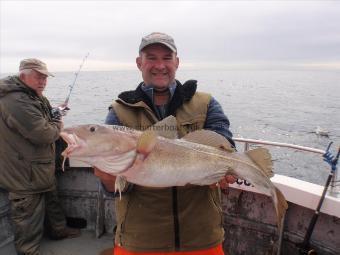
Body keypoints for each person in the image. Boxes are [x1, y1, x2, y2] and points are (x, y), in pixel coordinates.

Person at [95, 32, 236, 255]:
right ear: (139, 63)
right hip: (140, 241)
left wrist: (223, 171)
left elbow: (224, 142)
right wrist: (109, 180)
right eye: (151, 57)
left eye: (167, 58)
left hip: (202, 237)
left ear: (177, 62)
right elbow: (114, 189)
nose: (159, 65)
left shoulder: (206, 103)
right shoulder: (120, 112)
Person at [0, 58, 80, 255]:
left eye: (45, 77)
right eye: (38, 76)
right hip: (23, 173)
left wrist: (54, 111)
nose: (43, 81)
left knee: (53, 201)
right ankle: (28, 251)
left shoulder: (34, 95)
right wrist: (58, 120)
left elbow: (41, 117)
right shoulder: (15, 100)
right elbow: (44, 134)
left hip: (40, 166)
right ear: (23, 76)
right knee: (27, 216)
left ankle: (58, 230)